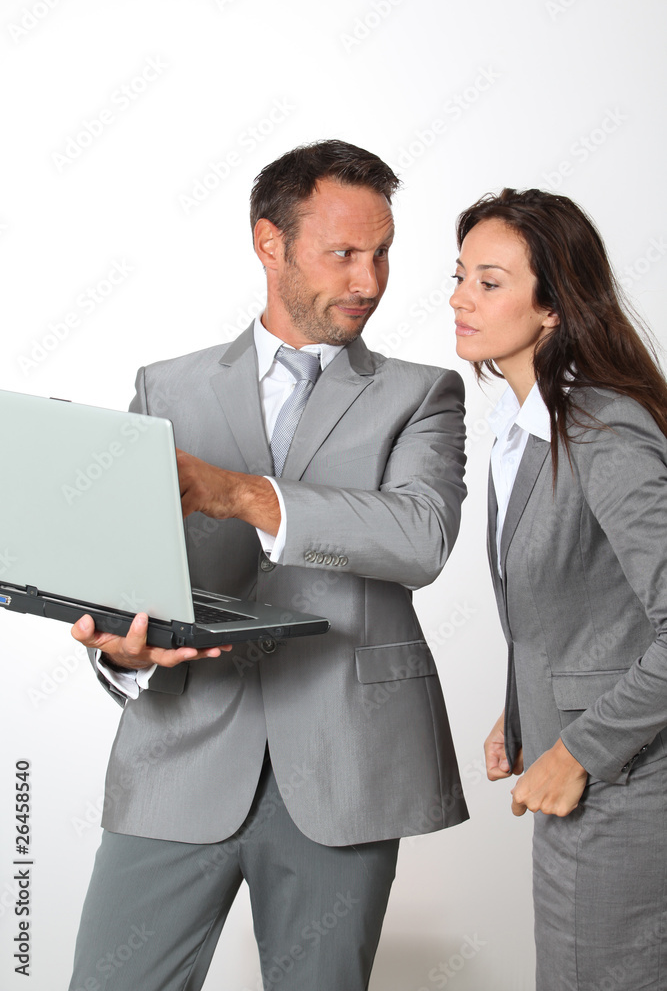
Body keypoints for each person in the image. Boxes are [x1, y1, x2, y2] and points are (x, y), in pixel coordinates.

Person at [67, 140, 469, 991]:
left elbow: (420, 538)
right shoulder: (165, 387)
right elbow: (128, 571)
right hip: (176, 756)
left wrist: (243, 494)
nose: (369, 280)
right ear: (269, 244)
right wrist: (122, 648)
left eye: (383, 251)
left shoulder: (421, 394)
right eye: (344, 253)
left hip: (344, 770)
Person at [451, 186, 667, 990]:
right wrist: (524, 699)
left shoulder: (602, 431)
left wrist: (576, 748)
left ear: (551, 310)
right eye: (461, 276)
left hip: (624, 787)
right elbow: (585, 599)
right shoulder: (527, 427)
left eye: (489, 281)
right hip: (583, 777)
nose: (459, 298)